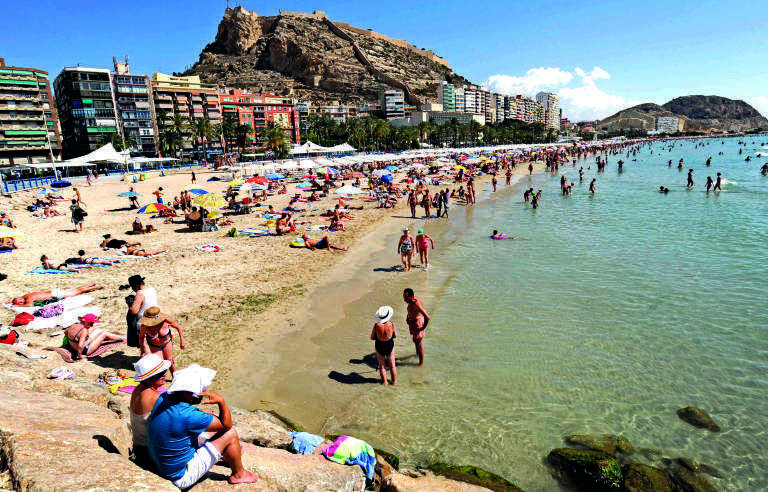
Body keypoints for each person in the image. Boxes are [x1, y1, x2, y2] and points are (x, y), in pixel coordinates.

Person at [146, 364, 259, 488]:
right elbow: (226, 425)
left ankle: (228, 453)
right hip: (180, 475)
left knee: (209, 428)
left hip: (161, 463)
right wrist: (221, 401)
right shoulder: (188, 416)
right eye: (201, 390)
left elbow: (178, 421)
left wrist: (200, 414)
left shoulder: (164, 397)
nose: (204, 392)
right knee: (230, 434)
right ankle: (239, 474)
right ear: (187, 393)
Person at [130, 353, 170, 464]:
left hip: (138, 446)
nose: (165, 374)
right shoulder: (155, 397)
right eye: (160, 373)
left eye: (164, 371)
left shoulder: (138, 389)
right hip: (149, 452)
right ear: (148, 378)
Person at [139, 306, 186, 377]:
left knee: (170, 361)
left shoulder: (166, 320)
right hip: (154, 345)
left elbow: (178, 327)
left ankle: (174, 377)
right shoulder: (145, 325)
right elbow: (141, 337)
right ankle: (161, 379)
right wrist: (142, 350)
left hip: (166, 343)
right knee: (159, 365)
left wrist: (182, 340)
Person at [128, 274, 158, 346]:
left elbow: (134, 311)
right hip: (156, 319)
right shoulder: (152, 289)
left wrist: (129, 304)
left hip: (144, 323)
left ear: (136, 286)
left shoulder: (140, 294)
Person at [11, 283, 103, 306]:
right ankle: (90, 284)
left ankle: (94, 287)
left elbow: (29, 305)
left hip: (55, 294)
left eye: (18, 301)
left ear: (19, 298)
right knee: (74, 290)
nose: (20, 302)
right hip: (53, 292)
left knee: (77, 292)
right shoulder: (26, 295)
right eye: (19, 302)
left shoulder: (28, 299)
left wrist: (15, 306)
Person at [370, 306, 397, 385]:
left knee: (382, 366)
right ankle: (394, 382)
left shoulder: (376, 326)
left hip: (379, 346)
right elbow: (395, 336)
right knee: (392, 366)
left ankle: (384, 382)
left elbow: (372, 337)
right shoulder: (392, 324)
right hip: (389, 345)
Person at [403, 288, 430, 366]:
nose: (404, 300)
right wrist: (407, 317)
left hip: (417, 324)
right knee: (415, 340)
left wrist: (422, 328)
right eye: (404, 297)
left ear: (411, 297)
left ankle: (421, 363)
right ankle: (417, 355)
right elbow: (410, 311)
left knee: (419, 344)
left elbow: (427, 317)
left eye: (406, 298)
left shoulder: (416, 304)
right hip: (412, 323)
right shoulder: (412, 301)